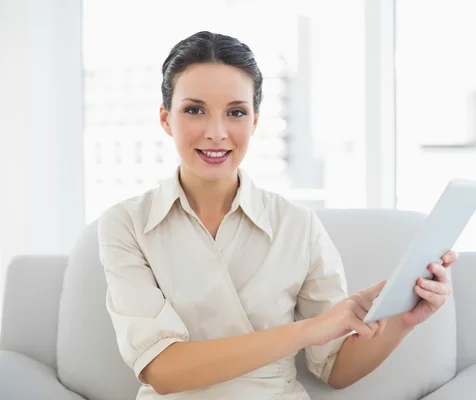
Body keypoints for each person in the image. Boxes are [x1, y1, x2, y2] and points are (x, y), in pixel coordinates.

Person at [97, 31, 457, 400]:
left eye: (236, 112)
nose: (216, 133)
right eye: (194, 110)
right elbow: (163, 370)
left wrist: (402, 321)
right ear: (165, 119)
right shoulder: (126, 225)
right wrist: (309, 330)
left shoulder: (297, 225)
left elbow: (335, 368)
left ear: (254, 122)